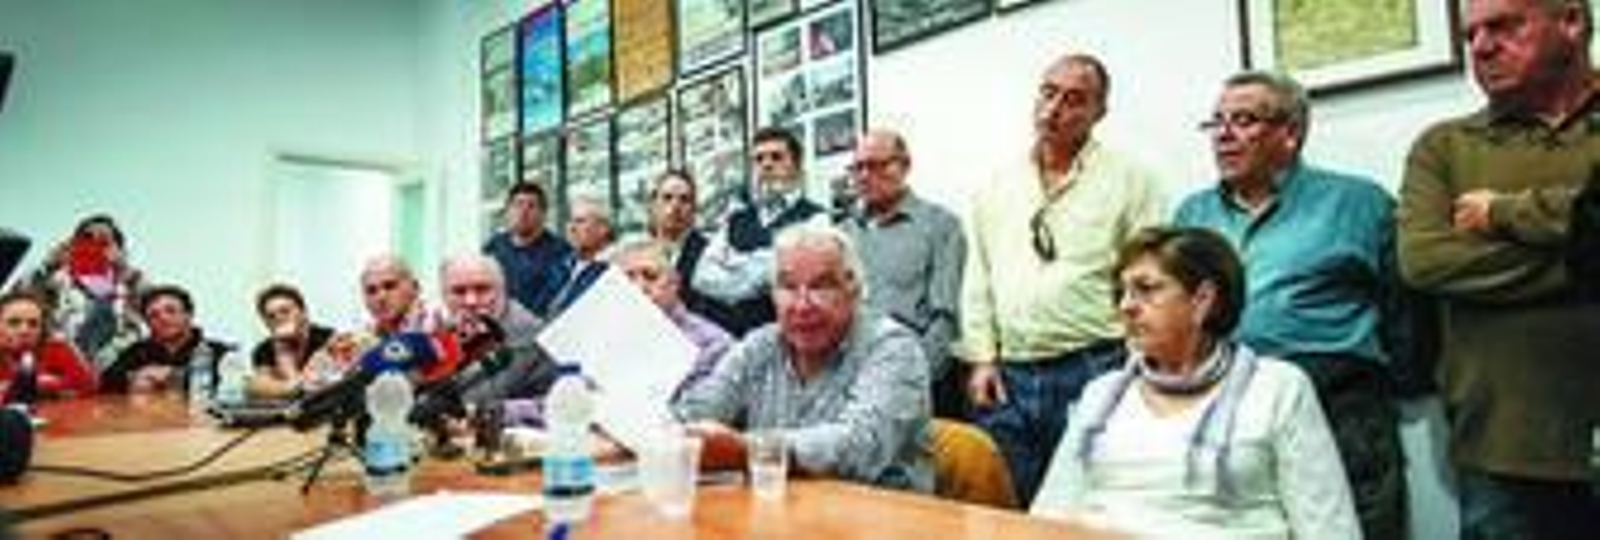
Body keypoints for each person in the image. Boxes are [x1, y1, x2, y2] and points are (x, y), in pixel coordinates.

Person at [1172, 70, 1407, 539]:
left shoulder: (1359, 203)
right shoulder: (1192, 215)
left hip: (1339, 410)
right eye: (1216, 122)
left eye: (1242, 120)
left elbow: (1405, 307)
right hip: (1225, 412)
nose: (1223, 134)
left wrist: (1400, 379)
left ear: (1290, 133)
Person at [1397, 0, 1600, 536]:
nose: (1482, 46)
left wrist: (1507, 214)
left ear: (1572, 23)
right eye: (1471, 35)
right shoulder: (1443, 148)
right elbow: (1427, 262)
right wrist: (1588, 249)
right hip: (1505, 453)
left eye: (1505, 26)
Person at [1031, 226, 1358, 538]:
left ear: (1202, 300)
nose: (1126, 306)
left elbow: (1328, 525)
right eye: (1122, 292)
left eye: (1146, 289)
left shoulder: (1278, 387)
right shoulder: (1102, 394)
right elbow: (1050, 515)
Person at [958, 52, 1166, 505]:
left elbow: (1151, 279)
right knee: (1013, 509)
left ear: (1099, 112)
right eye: (1048, 93)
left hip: (1096, 366)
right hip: (1009, 376)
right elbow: (979, 277)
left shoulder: (1133, 180)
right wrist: (982, 359)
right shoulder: (996, 184)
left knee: (1093, 505)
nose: (1054, 109)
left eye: (1074, 100)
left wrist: (1139, 368)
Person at [675, 223, 933, 492]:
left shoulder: (893, 348)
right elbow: (696, 413)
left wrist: (747, 450)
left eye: (822, 286)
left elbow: (861, 446)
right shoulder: (759, 345)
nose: (802, 304)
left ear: (854, 291)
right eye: (787, 286)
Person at [838, 129, 966, 417]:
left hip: (917, 382)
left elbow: (945, 321)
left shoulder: (940, 226)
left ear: (904, 166)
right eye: (857, 167)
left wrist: (909, 380)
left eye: (876, 165)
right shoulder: (842, 233)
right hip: (850, 385)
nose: (864, 175)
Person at [693, 126, 828, 336]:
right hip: (732, 338)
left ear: (797, 165)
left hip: (786, 337)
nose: (766, 165)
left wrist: (733, 264)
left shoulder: (816, 219)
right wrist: (756, 270)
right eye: (759, 159)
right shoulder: (735, 219)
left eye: (776, 157)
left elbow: (782, 273)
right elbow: (701, 277)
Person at [18, 214, 147, 372]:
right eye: (87, 237)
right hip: (62, 370)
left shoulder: (129, 281)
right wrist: (47, 266)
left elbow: (159, 308)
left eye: (104, 238)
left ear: (118, 247)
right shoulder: (56, 281)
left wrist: (126, 270)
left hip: (119, 370)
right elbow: (16, 301)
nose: (95, 243)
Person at [437, 254, 557, 408]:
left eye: (482, 289)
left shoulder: (529, 335)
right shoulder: (446, 332)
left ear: (502, 290)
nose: (471, 301)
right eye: (459, 292)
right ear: (443, 296)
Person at [100, 285, 233, 394]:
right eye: (154, 315)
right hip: (151, 422)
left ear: (188, 314)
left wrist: (172, 376)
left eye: (170, 311)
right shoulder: (137, 351)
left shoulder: (216, 350)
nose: (163, 318)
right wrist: (136, 377)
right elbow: (106, 382)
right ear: (147, 323)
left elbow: (231, 385)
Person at [482, 181, 574, 318]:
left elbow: (559, 299)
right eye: (517, 205)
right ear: (507, 211)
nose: (523, 212)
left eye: (531, 206)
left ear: (543, 214)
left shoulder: (561, 251)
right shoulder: (493, 246)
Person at [645, 170, 718, 322]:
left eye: (684, 199)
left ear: (694, 209)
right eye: (667, 198)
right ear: (653, 205)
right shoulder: (639, 254)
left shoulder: (711, 253)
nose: (675, 206)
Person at [0, 291, 96, 402]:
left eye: (33, 324)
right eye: (14, 323)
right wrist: (54, 386)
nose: (24, 330)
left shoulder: (57, 347)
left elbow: (88, 384)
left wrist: (37, 383)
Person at [244, 283, 335, 400]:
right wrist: (282, 349)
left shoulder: (327, 338)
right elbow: (260, 387)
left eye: (285, 311)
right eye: (271, 316)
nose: (279, 319)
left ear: (303, 313)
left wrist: (285, 386)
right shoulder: (263, 349)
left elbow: (318, 389)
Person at [548, 194, 616, 314]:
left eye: (580, 221)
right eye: (570, 221)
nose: (571, 228)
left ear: (603, 228)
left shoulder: (614, 269)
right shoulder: (563, 265)